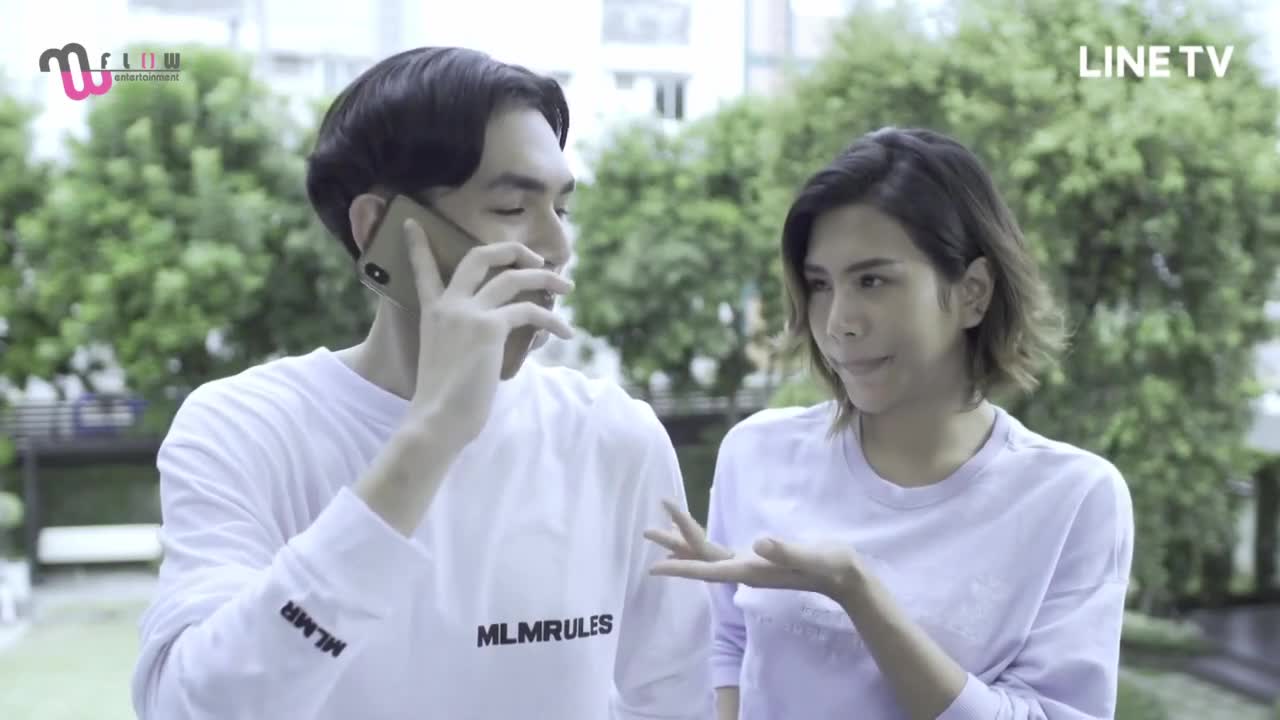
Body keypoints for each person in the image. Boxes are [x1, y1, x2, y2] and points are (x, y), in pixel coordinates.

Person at [131, 46, 713, 720]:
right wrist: (431, 435)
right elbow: (194, 706)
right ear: (379, 229)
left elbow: (681, 696)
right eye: (511, 206)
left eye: (562, 208)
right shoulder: (245, 428)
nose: (556, 246)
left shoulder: (613, 437)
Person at [644, 127, 1135, 720]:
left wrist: (859, 594)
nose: (839, 322)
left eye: (872, 281)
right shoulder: (757, 451)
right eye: (820, 285)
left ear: (973, 293)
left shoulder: (1073, 498)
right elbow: (728, 644)